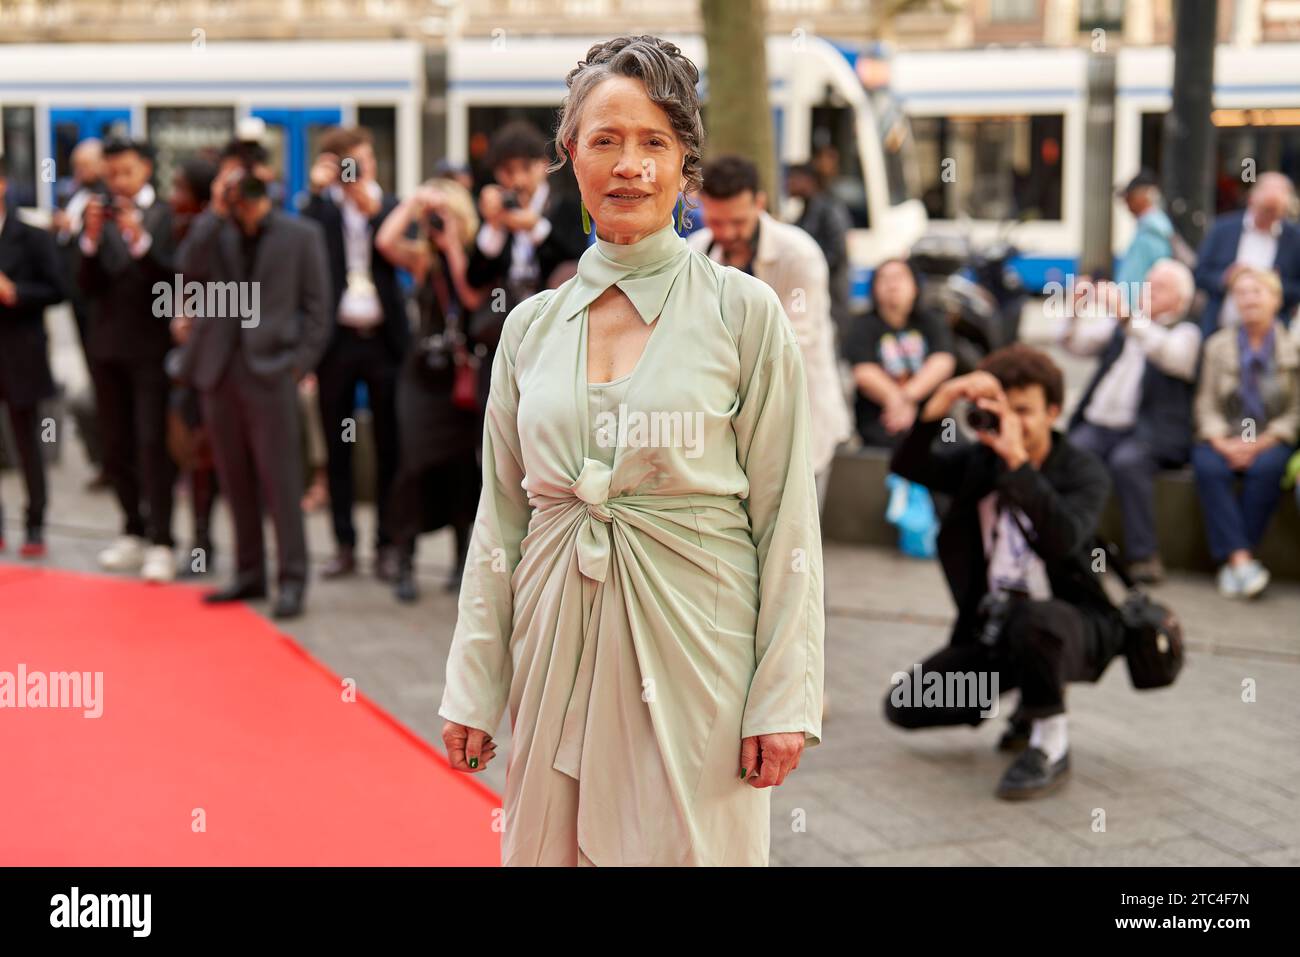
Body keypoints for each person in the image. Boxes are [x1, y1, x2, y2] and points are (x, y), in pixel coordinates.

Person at [437, 34, 824, 866]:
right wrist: (475, 683)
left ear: (686, 164)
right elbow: (500, 523)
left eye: (655, 142)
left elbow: (786, 517)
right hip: (552, 655)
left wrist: (783, 697)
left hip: (699, 660)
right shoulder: (529, 329)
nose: (630, 165)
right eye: (606, 139)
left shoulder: (744, 313)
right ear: (569, 154)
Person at [882, 345, 1124, 800]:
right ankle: (1026, 695)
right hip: (996, 631)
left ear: (1054, 411)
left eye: (1025, 411)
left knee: (1034, 621)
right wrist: (937, 407)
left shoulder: (1082, 470)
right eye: (1001, 409)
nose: (1012, 421)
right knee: (906, 704)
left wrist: (1019, 464)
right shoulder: (981, 461)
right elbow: (909, 465)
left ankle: (1050, 743)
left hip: (1074, 627)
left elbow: (1062, 540)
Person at [176, 153, 332, 619]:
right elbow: (188, 270)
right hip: (221, 373)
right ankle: (249, 573)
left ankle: (292, 579)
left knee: (281, 482)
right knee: (234, 478)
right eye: (238, 193)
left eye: (253, 193)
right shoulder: (217, 232)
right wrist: (215, 212)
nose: (246, 202)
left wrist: (298, 365)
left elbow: (319, 308)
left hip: (273, 374)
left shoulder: (302, 237)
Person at [689, 154, 851, 507]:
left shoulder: (799, 254)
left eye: (738, 221)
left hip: (797, 415)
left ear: (760, 203)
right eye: (716, 221)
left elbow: (797, 339)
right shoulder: (696, 250)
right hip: (728, 427)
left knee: (796, 543)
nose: (727, 233)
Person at [301, 126, 408, 582]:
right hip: (337, 341)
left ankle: (387, 542)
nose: (357, 173)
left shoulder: (389, 205)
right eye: (349, 164)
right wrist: (316, 189)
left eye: (363, 163)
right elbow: (296, 238)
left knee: (390, 444)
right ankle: (344, 544)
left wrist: (371, 209)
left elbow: (408, 247)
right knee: (337, 444)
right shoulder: (321, 210)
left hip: (383, 339)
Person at [375, 177, 485, 603]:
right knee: (414, 466)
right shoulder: (422, 260)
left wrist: (455, 243)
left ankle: (461, 562)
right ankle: (405, 558)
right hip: (420, 377)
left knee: (461, 467)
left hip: (458, 379)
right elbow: (384, 241)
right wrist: (414, 203)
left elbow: (473, 299)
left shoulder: (475, 256)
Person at [1062, 260, 1202, 583]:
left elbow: (1173, 356)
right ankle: (1074, 546)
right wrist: (1075, 309)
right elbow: (1074, 344)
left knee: (1128, 463)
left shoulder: (1186, 330)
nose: (1148, 289)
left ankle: (1144, 555)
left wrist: (1127, 317)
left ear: (1180, 299)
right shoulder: (1124, 326)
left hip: (1149, 433)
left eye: (1159, 286)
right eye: (1147, 281)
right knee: (1070, 455)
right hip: (1099, 426)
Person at [78, 137, 178, 582]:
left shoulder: (167, 216)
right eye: (111, 174)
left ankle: (163, 540)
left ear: (146, 170)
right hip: (105, 349)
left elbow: (173, 280)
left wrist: (139, 239)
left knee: (152, 443)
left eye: (126, 173)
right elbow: (82, 287)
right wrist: (91, 239)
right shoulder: (97, 216)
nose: (117, 183)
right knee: (115, 442)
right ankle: (131, 529)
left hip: (152, 350)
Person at [1191, 266, 1299, 599]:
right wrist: (1222, 441)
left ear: (1276, 299)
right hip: (1226, 433)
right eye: (1242, 293)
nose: (1249, 299)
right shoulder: (1217, 345)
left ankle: (1235, 562)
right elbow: (1205, 404)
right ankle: (1242, 561)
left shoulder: (1293, 349)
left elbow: (1296, 411)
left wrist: (1261, 443)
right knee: (1209, 467)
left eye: (1257, 292)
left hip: (1270, 436)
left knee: (1266, 470)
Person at [466, 120, 588, 406]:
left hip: (554, 337)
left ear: (543, 165)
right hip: (503, 336)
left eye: (525, 168)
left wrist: (534, 227)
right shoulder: (499, 215)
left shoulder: (567, 207)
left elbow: (576, 261)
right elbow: (475, 277)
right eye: (508, 171)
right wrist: (495, 226)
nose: (517, 180)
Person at [0, 154, 66, 557]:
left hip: (21, 353)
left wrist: (16, 293)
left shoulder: (32, 236)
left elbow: (58, 289)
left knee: (28, 443)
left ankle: (35, 523)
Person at [163, 157, 219, 576]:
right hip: (186, 365)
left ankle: (208, 546)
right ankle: (200, 542)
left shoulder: (215, 231)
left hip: (214, 364)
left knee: (210, 459)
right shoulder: (175, 228)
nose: (172, 196)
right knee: (192, 457)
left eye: (180, 188)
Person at [843, 257, 955, 448]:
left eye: (899, 278)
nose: (892, 285)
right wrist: (895, 401)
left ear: (915, 286)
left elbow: (943, 362)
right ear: (874, 288)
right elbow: (863, 371)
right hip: (882, 418)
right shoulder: (862, 325)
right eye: (884, 279)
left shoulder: (931, 320)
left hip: (929, 416)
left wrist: (907, 398)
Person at [1194, 172, 1300, 337]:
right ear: (1251, 199)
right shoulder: (1222, 229)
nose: (1269, 216)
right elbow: (1199, 274)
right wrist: (1225, 278)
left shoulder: (1294, 239)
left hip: (1271, 343)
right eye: (1266, 209)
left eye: (1275, 211)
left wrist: (1274, 285)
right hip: (1219, 331)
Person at [786, 160, 853, 339]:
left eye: (793, 179)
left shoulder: (830, 209)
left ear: (808, 180)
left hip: (830, 291)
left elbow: (836, 251)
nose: (789, 184)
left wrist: (810, 268)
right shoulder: (807, 210)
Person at [1114, 170, 1174, 289]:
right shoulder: (1155, 227)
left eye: (1130, 197)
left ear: (1144, 196)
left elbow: (1133, 279)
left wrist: (1122, 303)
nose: (1127, 204)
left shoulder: (1152, 232)